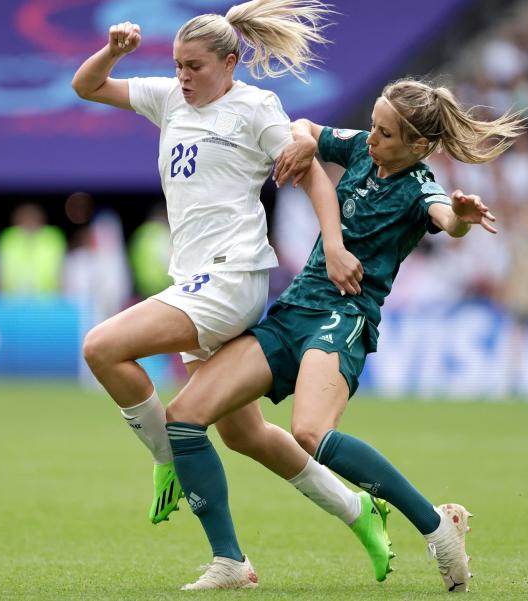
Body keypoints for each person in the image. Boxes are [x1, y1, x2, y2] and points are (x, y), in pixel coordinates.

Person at [73, 0, 397, 589]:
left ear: (230, 62)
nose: (182, 77)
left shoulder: (255, 108)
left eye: (194, 66)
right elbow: (86, 85)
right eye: (176, 65)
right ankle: (358, 513)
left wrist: (333, 242)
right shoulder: (170, 98)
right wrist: (115, 52)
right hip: (193, 280)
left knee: (103, 347)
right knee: (245, 435)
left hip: (232, 279)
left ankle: (170, 467)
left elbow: (313, 175)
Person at [164, 78, 525, 592]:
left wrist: (461, 219)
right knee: (183, 417)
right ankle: (230, 563)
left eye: (385, 133)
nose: (371, 138)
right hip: (292, 311)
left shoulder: (421, 187)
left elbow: (445, 217)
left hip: (345, 316)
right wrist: (308, 140)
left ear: (418, 146)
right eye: (373, 125)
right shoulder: (361, 147)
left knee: (310, 432)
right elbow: (306, 126)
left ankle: (436, 526)